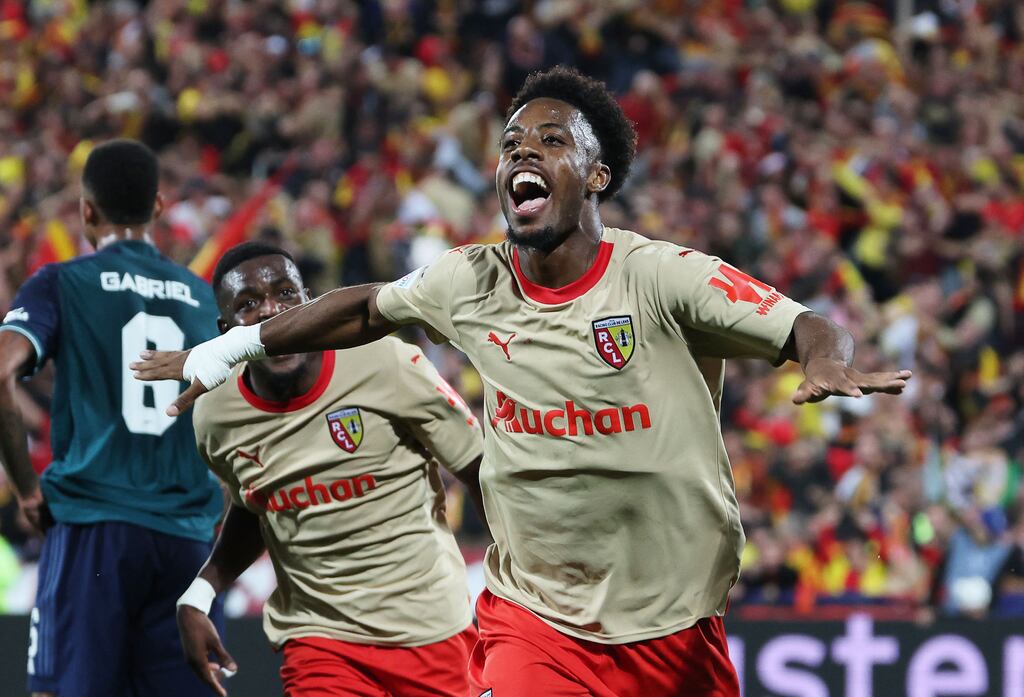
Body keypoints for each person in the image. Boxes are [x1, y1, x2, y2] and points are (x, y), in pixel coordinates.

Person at [133, 67, 912, 696]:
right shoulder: (469, 280)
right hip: (536, 619)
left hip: (676, 621)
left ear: (598, 174)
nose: (524, 152)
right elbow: (364, 308)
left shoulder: (664, 277)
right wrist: (234, 348)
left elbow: (806, 323)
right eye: (512, 143)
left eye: (551, 139)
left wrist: (823, 358)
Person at [175, 241, 484, 696]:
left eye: (285, 295)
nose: (270, 313)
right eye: (248, 304)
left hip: (433, 630)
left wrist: (528, 578)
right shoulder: (216, 415)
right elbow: (258, 501)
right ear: (225, 331)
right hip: (320, 643)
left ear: (310, 304)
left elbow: (480, 469)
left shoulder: (386, 362)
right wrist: (200, 593)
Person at [0, 139, 225, 697]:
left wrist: (27, 487)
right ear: (158, 208)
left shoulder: (61, 282)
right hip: (185, 540)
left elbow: (0, 370)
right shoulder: (202, 298)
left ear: (86, 210)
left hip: (92, 527)